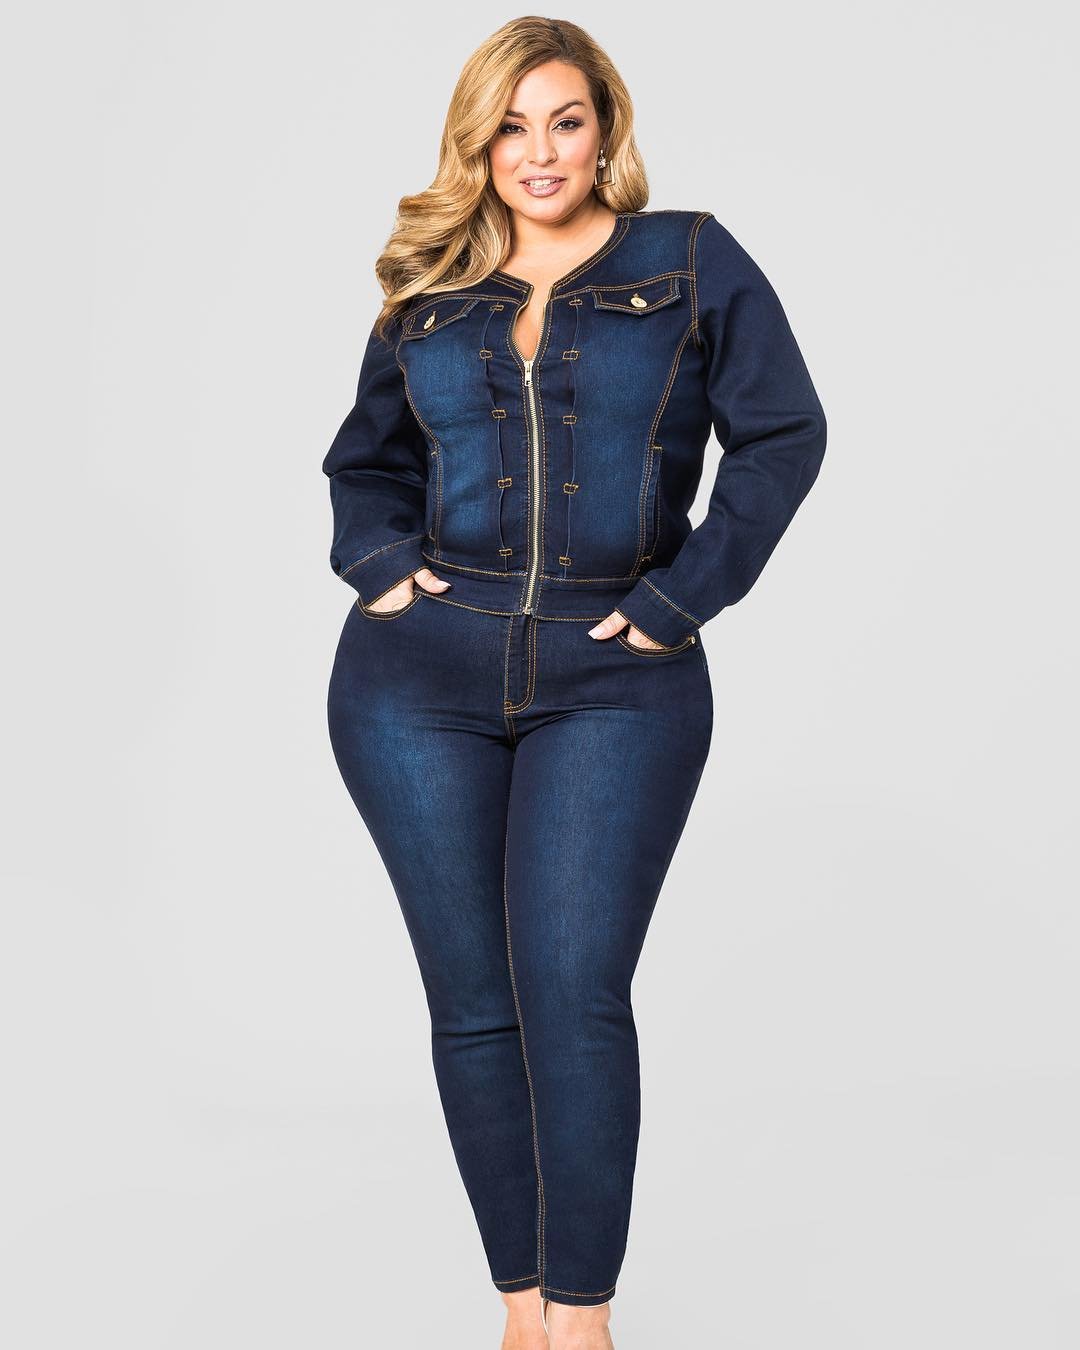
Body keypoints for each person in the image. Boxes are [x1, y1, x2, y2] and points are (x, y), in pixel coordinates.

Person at [321, 17, 827, 1350]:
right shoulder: (433, 280)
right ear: (477, 141)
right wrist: (379, 567)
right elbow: (365, 462)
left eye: (564, 121)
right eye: (510, 126)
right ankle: (521, 1311)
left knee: (573, 989)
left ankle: (585, 1319)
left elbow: (784, 433)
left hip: (617, 675)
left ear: (606, 129)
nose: (538, 153)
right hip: (414, 679)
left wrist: (679, 600)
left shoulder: (690, 259)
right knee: (474, 1000)